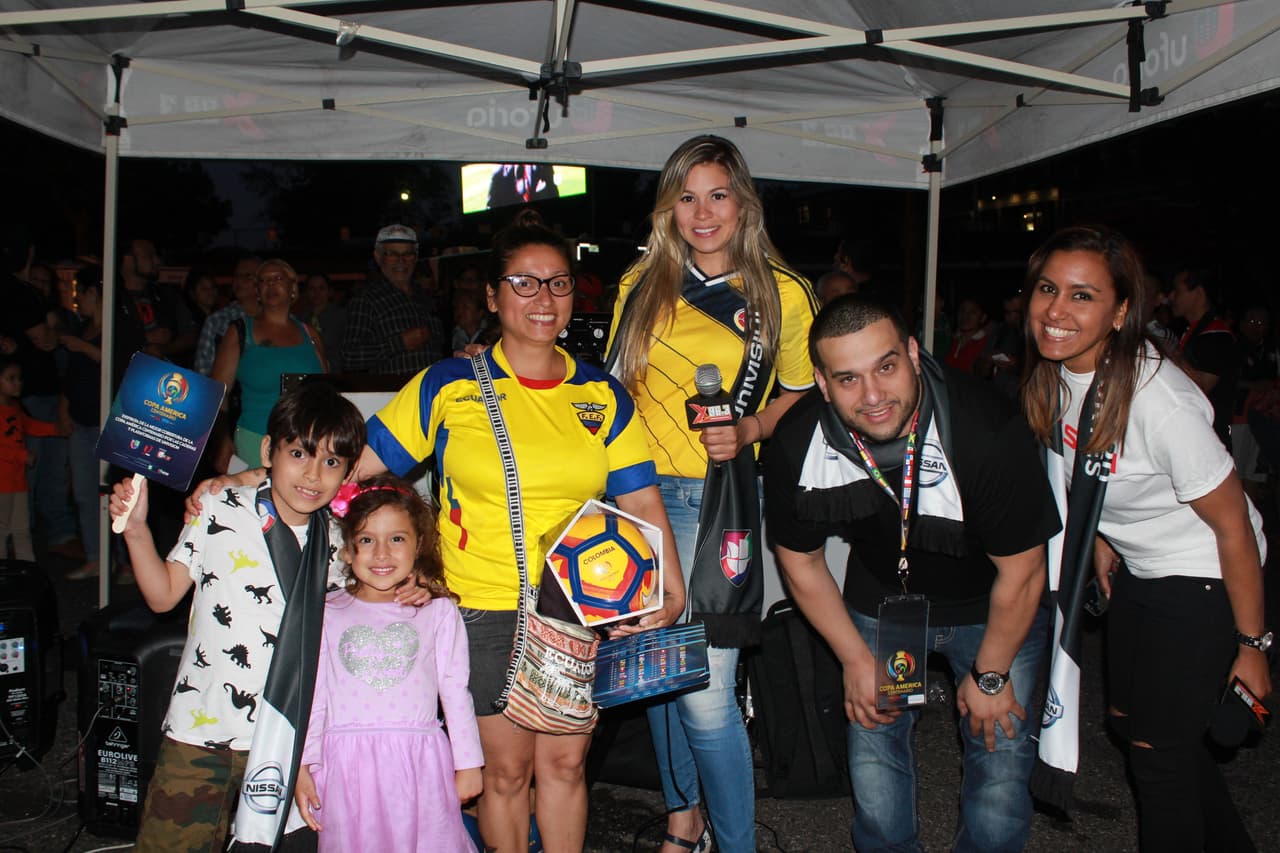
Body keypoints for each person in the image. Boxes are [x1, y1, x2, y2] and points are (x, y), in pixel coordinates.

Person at [351, 212, 685, 853]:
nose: (543, 299)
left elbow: (640, 499)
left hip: (577, 607)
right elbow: (358, 466)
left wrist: (669, 587)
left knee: (564, 767)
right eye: (524, 283)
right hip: (482, 605)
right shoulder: (448, 385)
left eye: (558, 284)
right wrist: (257, 478)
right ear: (493, 295)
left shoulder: (602, 394)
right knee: (504, 774)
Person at [764, 294, 1059, 853]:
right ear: (822, 385)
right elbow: (799, 561)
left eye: (886, 366)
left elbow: (1023, 573)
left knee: (998, 762)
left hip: (990, 606)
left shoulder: (987, 431)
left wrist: (991, 675)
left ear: (913, 354)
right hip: (883, 605)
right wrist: (854, 659)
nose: (873, 397)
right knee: (874, 749)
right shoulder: (799, 442)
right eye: (847, 379)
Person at [1022, 225, 1269, 852]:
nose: (1056, 310)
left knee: (1158, 760)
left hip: (1205, 572)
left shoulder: (1160, 400)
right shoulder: (1057, 375)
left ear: (1122, 310)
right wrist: (1103, 534)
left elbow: (1234, 524)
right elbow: (1084, 470)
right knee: (1136, 727)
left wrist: (1251, 644)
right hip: (1139, 565)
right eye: (1049, 289)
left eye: (1083, 296)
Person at [605, 134, 818, 853]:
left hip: (716, 500)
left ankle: (735, 843)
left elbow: (809, 394)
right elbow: (613, 393)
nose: (702, 212)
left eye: (717, 194)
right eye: (686, 196)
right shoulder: (641, 282)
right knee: (660, 674)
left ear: (743, 202)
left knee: (704, 698)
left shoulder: (780, 291)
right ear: (668, 207)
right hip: (638, 495)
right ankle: (682, 818)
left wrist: (753, 423)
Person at [109, 383, 367, 853]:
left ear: (349, 470)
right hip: (199, 731)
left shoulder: (342, 544)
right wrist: (138, 530)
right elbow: (164, 597)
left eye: (331, 462)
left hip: (291, 740)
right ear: (269, 450)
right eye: (299, 453)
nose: (312, 474)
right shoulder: (218, 509)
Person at [294, 474, 483, 852]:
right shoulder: (325, 612)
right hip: (346, 769)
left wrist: (469, 764)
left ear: (418, 546)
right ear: (347, 550)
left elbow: (455, 690)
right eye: (366, 540)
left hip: (420, 766)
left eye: (397, 539)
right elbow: (314, 696)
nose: (382, 554)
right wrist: (303, 765)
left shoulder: (438, 612)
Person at [211, 258, 326, 468]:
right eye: (263, 281)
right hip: (255, 439)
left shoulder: (311, 335)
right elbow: (218, 392)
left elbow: (328, 390)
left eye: (277, 279)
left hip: (307, 442)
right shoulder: (240, 331)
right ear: (257, 291)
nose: (270, 285)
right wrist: (221, 440)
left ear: (293, 288)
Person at [343, 225, 444, 375]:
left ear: (415, 257)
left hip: (432, 392)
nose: (401, 260)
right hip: (394, 394)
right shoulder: (366, 300)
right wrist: (400, 343)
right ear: (378, 257)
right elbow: (348, 357)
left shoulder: (426, 297)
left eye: (408, 254)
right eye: (392, 254)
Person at [60, 266, 105, 580]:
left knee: (110, 493)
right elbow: (71, 378)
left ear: (94, 293)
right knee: (84, 494)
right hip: (80, 422)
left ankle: (121, 561)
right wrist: (64, 409)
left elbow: (120, 362)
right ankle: (94, 557)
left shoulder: (115, 328)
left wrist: (85, 349)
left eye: (81, 293)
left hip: (107, 423)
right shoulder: (80, 330)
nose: (77, 301)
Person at [1169, 265, 1237, 447]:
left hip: (1209, 437)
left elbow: (1202, 386)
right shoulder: (1195, 331)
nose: (1170, 297)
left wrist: (1167, 354)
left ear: (1198, 293)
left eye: (1177, 291)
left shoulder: (1216, 335)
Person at [0, 355, 59, 561]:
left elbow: (30, 425)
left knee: (22, 529)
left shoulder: (14, 409)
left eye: (19, 378)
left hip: (18, 482)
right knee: (2, 531)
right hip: (3, 483)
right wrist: (22, 455)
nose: (18, 383)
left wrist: (56, 429)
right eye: (11, 378)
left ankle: (27, 571)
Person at [194, 254, 262, 375]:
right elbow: (202, 369)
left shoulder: (275, 319)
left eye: (247, 276)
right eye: (236, 276)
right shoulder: (217, 320)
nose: (239, 281)